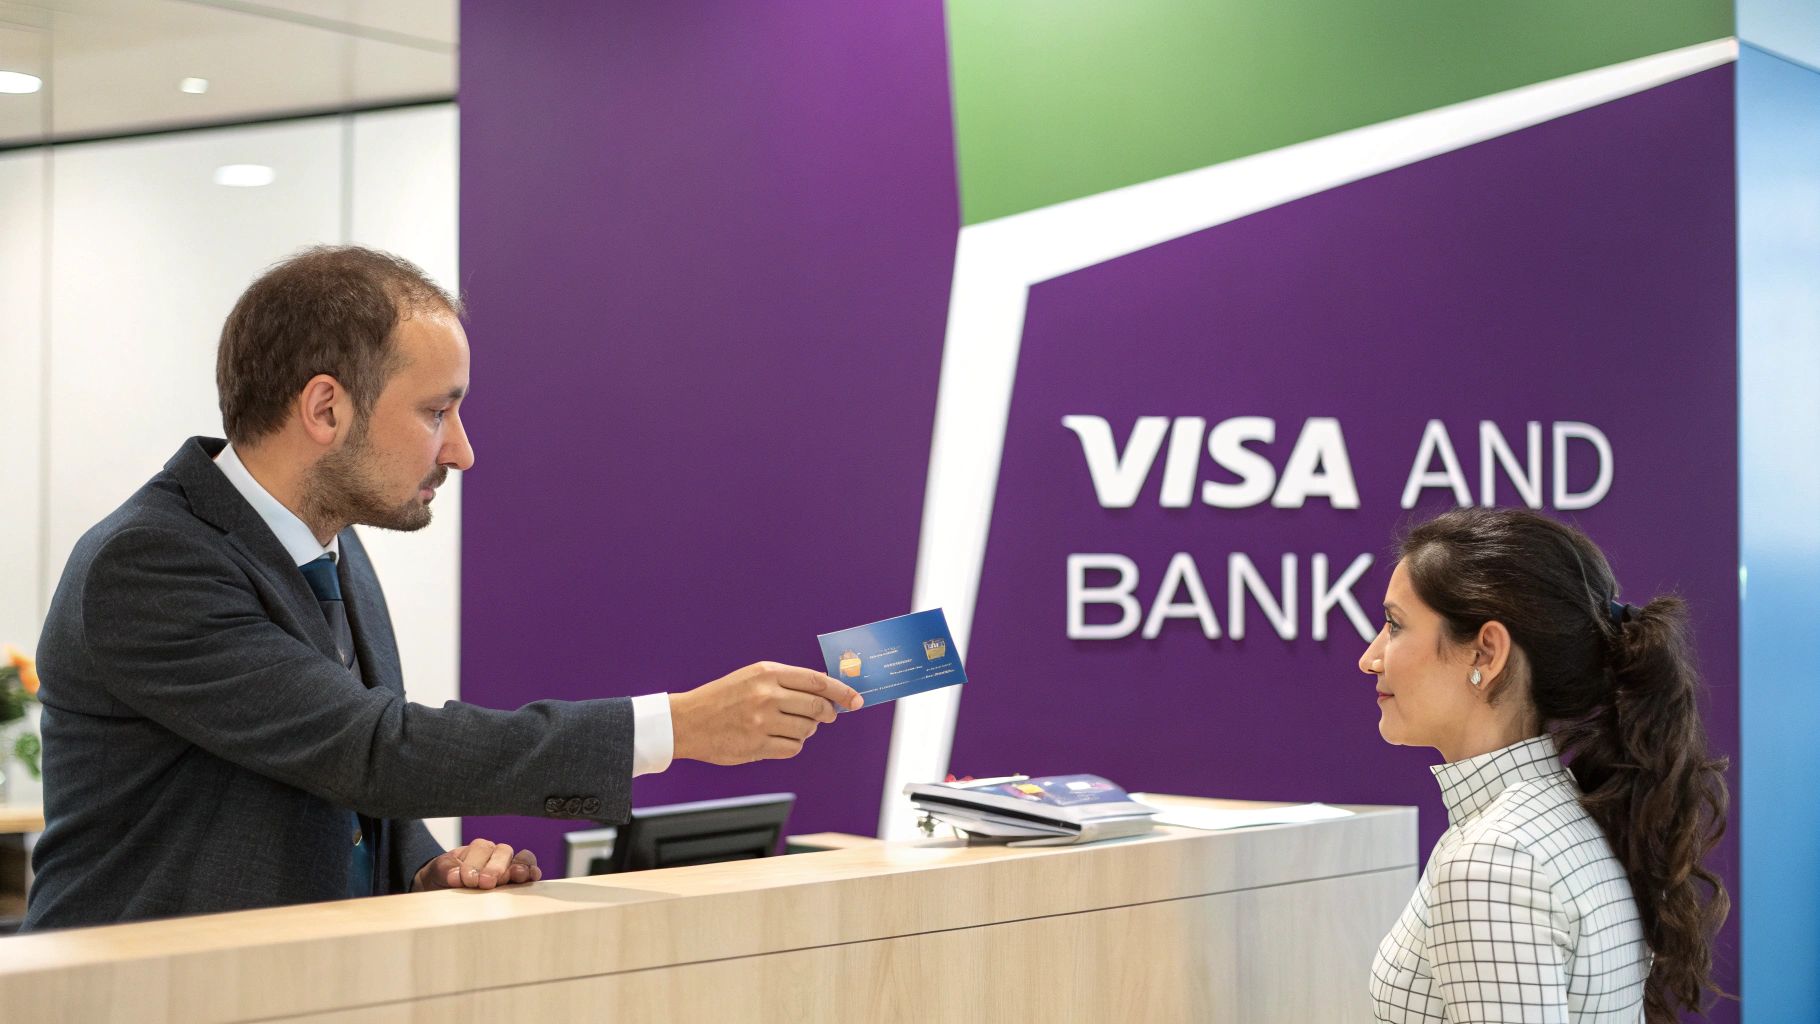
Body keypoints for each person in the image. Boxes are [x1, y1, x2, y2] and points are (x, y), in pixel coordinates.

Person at [24, 245, 862, 931]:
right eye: (437, 412)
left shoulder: (334, 549)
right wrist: (676, 726)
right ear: (325, 409)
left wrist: (426, 865)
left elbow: (332, 783)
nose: (461, 450)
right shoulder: (148, 565)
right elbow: (370, 750)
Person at [1360, 507, 1728, 1023]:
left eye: (1395, 625)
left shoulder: (1492, 859)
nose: (1371, 658)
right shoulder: (1559, 815)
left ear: (1486, 653)